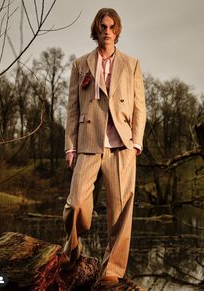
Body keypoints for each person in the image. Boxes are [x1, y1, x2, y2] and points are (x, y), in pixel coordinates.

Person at [61, 7, 146, 287]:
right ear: (96, 31)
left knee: (120, 211)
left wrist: (136, 141)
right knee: (75, 205)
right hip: (87, 143)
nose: (107, 31)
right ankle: (71, 251)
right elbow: (72, 109)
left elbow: (139, 107)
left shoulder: (131, 64)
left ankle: (113, 269)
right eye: (102, 26)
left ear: (117, 31)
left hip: (121, 145)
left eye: (111, 27)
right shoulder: (80, 64)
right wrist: (70, 147)